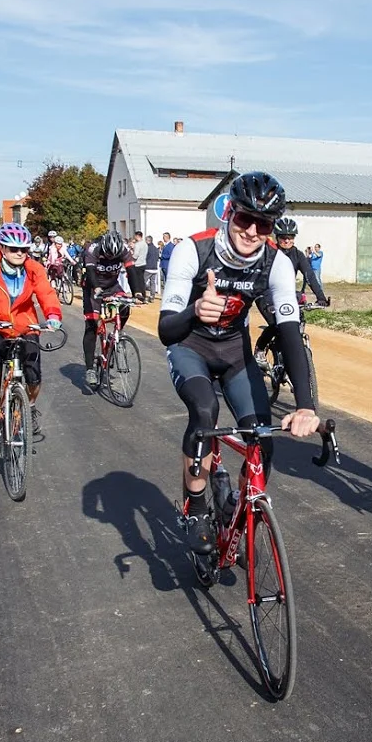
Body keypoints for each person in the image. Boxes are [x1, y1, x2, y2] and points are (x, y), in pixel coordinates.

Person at [157, 172, 320, 554]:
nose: (251, 231)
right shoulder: (192, 250)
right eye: (244, 218)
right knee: (204, 409)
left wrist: (305, 406)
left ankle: (240, 503)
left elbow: (290, 333)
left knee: (262, 438)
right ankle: (196, 507)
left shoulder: (276, 263)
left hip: (234, 352)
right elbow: (166, 329)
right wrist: (196, 309)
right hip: (189, 346)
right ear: (230, 212)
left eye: (262, 224)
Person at [0, 223, 62, 437]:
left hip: (25, 324)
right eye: (13, 249)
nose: (19, 253)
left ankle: (31, 407)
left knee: (33, 370)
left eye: (24, 249)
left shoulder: (34, 268)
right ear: (2, 248)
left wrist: (53, 315)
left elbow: (46, 293)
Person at [254, 216, 329, 356]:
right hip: (265, 293)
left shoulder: (298, 255)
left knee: (296, 320)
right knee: (276, 324)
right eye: (283, 237)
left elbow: (310, 276)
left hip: (284, 293)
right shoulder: (268, 253)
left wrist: (321, 297)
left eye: (290, 237)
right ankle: (260, 349)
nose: (287, 240)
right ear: (277, 237)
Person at [80, 229, 134, 387]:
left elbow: (132, 271)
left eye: (114, 256)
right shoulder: (93, 249)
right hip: (92, 286)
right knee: (91, 324)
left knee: (125, 306)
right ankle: (90, 368)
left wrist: (138, 292)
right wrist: (96, 288)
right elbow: (90, 271)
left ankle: (116, 335)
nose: (111, 258)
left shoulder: (123, 250)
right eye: (108, 255)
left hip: (112, 285)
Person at [144, 235, 161, 302]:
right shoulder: (156, 249)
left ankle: (143, 296)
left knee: (143, 282)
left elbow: (145, 257)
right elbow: (157, 258)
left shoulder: (147, 248)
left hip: (148, 268)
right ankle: (152, 296)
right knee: (153, 283)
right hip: (155, 268)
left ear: (148, 241)